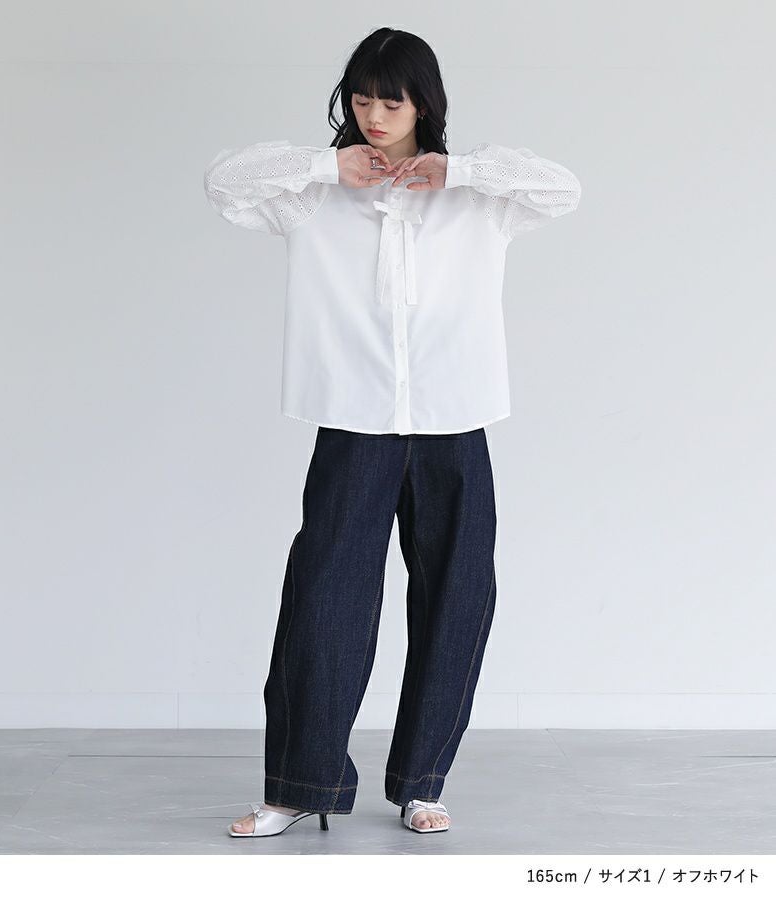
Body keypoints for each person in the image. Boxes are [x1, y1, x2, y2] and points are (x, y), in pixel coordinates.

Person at [203, 26, 581, 838]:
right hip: (355, 419)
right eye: (362, 100)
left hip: (454, 418)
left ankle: (422, 782)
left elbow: (564, 190)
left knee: (456, 598)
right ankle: (298, 786)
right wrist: (322, 167)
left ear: (424, 105)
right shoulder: (315, 193)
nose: (375, 117)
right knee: (324, 599)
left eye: (392, 102)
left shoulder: (476, 199)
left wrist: (460, 171)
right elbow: (223, 182)